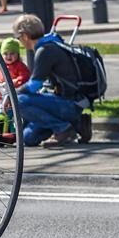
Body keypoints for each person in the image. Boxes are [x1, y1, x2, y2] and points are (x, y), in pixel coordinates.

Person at [13, 14, 89, 148]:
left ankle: (63, 129)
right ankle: (78, 124)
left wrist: (11, 94)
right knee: (28, 138)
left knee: (18, 101)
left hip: (68, 103)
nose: (20, 41)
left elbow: (35, 85)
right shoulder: (50, 45)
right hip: (67, 103)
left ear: (25, 36)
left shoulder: (45, 51)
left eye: (18, 38)